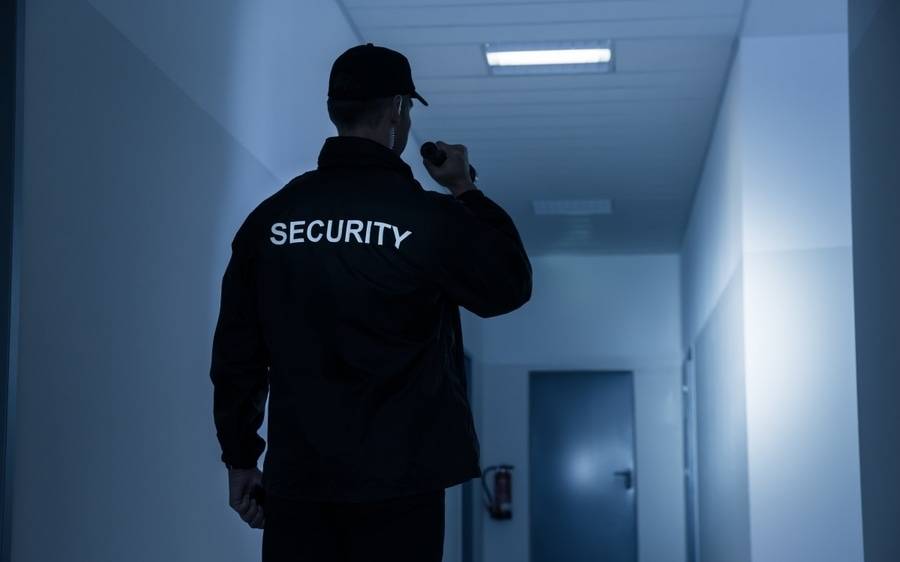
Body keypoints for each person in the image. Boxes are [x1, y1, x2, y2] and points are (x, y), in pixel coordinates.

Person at [209, 42, 532, 562]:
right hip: (402, 484)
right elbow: (509, 285)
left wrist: (241, 459)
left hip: (300, 483)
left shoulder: (270, 221)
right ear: (398, 110)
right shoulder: (428, 219)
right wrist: (465, 190)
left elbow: (236, 354)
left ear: (334, 111)